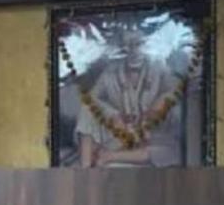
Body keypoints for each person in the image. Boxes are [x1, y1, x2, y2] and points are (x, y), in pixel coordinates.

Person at [77, 29, 182, 167]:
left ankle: (108, 156)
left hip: (153, 135)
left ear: (146, 45)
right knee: (87, 108)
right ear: (122, 48)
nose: (134, 50)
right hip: (121, 132)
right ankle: (85, 169)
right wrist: (113, 116)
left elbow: (175, 90)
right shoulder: (110, 71)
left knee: (167, 152)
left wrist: (153, 112)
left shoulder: (159, 67)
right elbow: (90, 98)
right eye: (129, 44)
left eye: (139, 44)